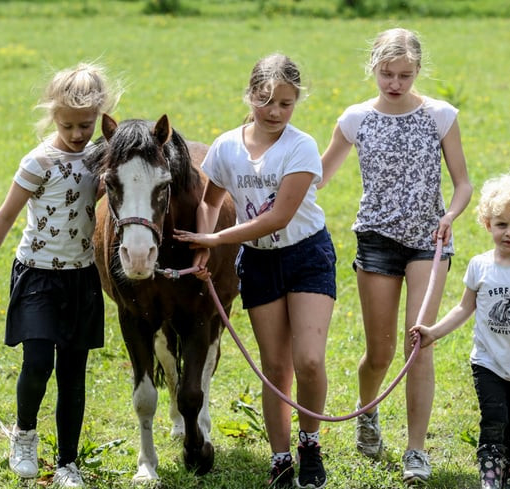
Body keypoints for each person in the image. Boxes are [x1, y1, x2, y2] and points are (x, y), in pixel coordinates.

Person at [173, 53, 335, 489]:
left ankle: (309, 443)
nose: (276, 112)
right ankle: (280, 458)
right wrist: (202, 248)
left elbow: (279, 217)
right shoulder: (227, 146)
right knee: (275, 366)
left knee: (310, 360)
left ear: (297, 102)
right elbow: (209, 202)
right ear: (250, 95)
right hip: (259, 262)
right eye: (266, 100)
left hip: (307, 255)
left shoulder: (299, 147)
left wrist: (215, 241)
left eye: (286, 103)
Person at [319, 27, 472, 483]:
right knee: (380, 353)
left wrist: (452, 216)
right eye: (387, 73)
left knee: (419, 343)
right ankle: (367, 418)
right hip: (376, 241)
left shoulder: (440, 116)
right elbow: (318, 175)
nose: (395, 83)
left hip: (430, 240)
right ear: (374, 69)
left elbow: (463, 182)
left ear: (418, 71)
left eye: (405, 74)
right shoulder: (355, 119)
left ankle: (416, 451)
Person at [0, 62, 121, 488]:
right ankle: (24, 435)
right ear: (53, 115)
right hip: (37, 276)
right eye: (69, 125)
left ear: (99, 116)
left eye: (86, 125)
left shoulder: (99, 158)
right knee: (37, 365)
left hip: (81, 279)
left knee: (74, 374)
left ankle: (69, 463)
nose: (77, 134)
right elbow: (4, 217)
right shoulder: (39, 162)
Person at [411, 169, 510, 489]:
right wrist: (434, 332)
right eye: (502, 224)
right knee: (493, 419)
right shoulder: (480, 265)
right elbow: (464, 307)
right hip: (487, 361)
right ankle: (490, 477)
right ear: (488, 224)